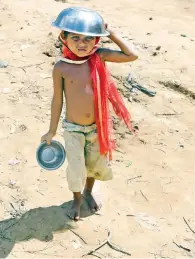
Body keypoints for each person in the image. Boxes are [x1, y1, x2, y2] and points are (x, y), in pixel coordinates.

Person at [41, 12, 138, 221]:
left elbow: (132, 55)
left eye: (88, 38)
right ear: (63, 39)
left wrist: (110, 33)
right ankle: (76, 198)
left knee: (94, 164)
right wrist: (51, 130)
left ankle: (88, 192)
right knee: (76, 168)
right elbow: (57, 100)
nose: (82, 43)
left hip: (97, 127)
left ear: (96, 40)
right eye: (75, 38)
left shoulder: (99, 56)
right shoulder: (61, 68)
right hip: (73, 128)